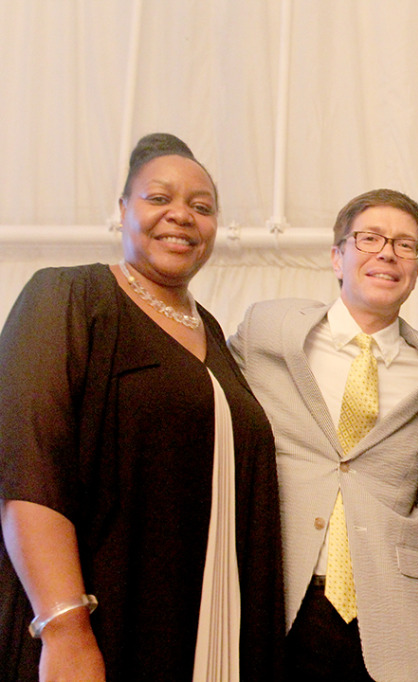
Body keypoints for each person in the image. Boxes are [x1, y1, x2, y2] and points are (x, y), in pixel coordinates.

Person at [0, 133, 284, 681]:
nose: (181, 215)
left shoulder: (218, 338)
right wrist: (64, 629)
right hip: (97, 625)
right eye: (159, 199)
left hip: (197, 627)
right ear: (123, 210)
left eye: (201, 207)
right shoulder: (69, 296)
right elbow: (27, 465)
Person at [228, 189, 418, 681]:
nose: (387, 253)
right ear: (337, 256)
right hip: (278, 597)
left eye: (405, 244)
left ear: (416, 268)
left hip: (390, 609)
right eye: (369, 238)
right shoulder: (266, 332)